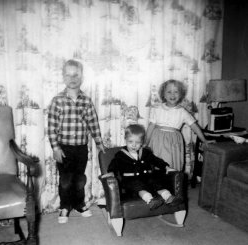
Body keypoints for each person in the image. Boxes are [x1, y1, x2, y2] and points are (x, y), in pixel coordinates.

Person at [47, 59, 105, 224]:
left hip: (81, 148)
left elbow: (93, 122)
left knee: (79, 178)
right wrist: (56, 148)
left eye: (76, 75)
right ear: (63, 77)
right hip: (63, 148)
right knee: (65, 180)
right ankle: (64, 206)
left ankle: (79, 203)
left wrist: (99, 142)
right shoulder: (57, 100)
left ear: (82, 77)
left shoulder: (86, 101)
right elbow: (51, 127)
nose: (72, 78)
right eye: (68, 75)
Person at [145, 79, 213, 171]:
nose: (172, 95)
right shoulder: (157, 109)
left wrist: (204, 140)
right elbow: (151, 127)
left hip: (174, 141)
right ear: (163, 95)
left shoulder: (182, 112)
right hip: (157, 140)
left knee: (171, 165)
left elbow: (194, 126)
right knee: (157, 164)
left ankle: (171, 183)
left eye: (176, 92)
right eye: (169, 92)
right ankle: (157, 183)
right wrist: (146, 142)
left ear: (180, 94)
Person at [106, 124, 179, 210]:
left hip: (147, 178)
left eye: (137, 143)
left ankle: (169, 197)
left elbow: (156, 160)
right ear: (125, 140)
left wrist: (166, 167)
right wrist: (111, 172)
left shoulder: (145, 152)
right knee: (138, 187)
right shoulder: (120, 155)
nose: (134, 145)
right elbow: (114, 164)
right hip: (130, 182)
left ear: (142, 142)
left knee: (157, 182)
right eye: (130, 142)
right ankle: (150, 200)